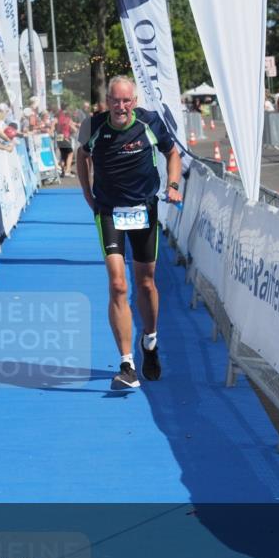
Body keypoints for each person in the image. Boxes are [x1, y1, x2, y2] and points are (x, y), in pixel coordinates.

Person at [75, 76, 182, 390]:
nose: (120, 107)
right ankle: (126, 363)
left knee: (146, 282)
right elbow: (82, 156)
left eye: (126, 101)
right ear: (107, 101)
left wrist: (173, 186)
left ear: (134, 101)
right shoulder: (92, 126)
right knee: (118, 284)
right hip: (109, 211)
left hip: (144, 209)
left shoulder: (150, 123)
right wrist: (87, 194)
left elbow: (172, 154)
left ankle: (149, 342)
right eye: (115, 101)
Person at [55, 107, 78, 177]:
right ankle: (67, 170)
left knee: (63, 155)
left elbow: (58, 130)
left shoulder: (59, 120)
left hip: (59, 137)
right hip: (65, 138)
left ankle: (63, 171)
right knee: (70, 153)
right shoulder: (69, 120)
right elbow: (75, 130)